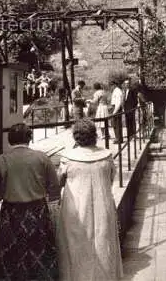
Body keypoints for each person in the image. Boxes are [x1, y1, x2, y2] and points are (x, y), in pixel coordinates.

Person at [0, 123, 60, 281]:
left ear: (10, 141)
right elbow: (54, 186)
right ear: (29, 139)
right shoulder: (42, 158)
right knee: (41, 252)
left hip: (12, 214)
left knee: (13, 255)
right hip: (38, 212)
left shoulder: (2, 160)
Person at [57, 119, 123, 281]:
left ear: (76, 137)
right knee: (103, 242)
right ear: (94, 136)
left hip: (76, 209)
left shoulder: (68, 158)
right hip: (103, 204)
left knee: (75, 245)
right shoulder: (106, 156)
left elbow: (59, 182)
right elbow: (110, 179)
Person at [110, 79, 124, 143]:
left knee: (117, 124)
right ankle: (118, 138)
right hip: (115, 108)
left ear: (115, 85)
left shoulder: (117, 91)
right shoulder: (115, 91)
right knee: (115, 124)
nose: (111, 86)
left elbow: (118, 103)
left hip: (116, 109)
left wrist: (114, 112)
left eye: (112, 85)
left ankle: (118, 139)